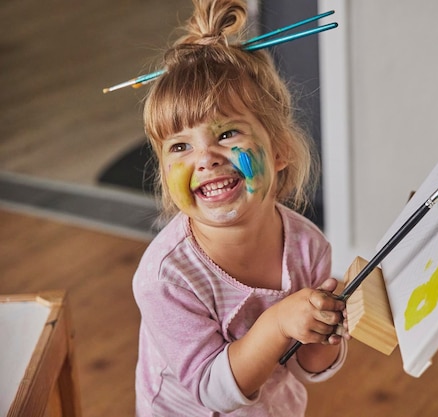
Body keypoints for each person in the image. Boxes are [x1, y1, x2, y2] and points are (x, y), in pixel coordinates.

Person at [131, 0, 348, 415]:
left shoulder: (308, 247)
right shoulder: (165, 277)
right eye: (180, 146)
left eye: (227, 133)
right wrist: (280, 321)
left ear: (280, 148)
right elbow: (213, 391)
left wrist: (327, 328)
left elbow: (310, 366)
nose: (206, 158)